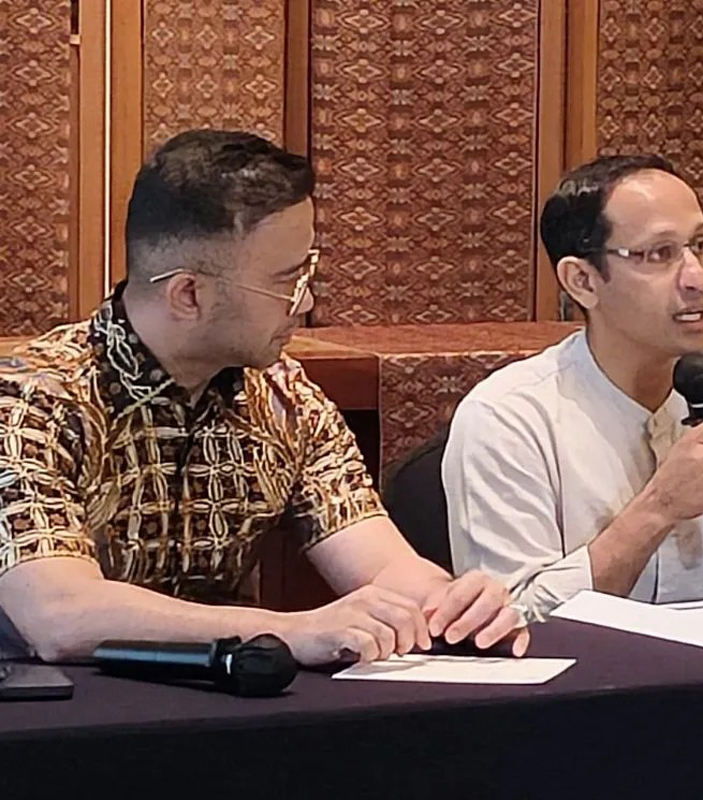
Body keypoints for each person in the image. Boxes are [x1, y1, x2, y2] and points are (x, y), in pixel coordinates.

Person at [0, 130, 528, 664]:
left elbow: (384, 566)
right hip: (53, 707)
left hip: (232, 699)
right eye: (286, 280)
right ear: (189, 294)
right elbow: (59, 615)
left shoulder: (283, 397)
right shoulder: (31, 400)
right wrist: (288, 629)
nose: (307, 301)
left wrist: (452, 606)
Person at [443, 154, 703, 621]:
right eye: (659, 254)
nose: (697, 278)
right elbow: (511, 620)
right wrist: (659, 507)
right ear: (583, 281)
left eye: (700, 246)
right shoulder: (508, 419)